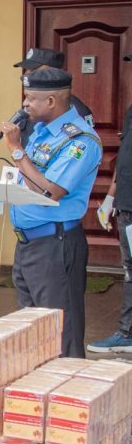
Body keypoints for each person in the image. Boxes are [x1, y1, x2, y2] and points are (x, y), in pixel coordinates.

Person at [0, 68, 102, 358]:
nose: (25, 104)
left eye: (31, 98)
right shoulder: (42, 133)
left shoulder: (80, 141)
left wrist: (16, 150)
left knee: (60, 333)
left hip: (55, 244)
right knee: (32, 331)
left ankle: (67, 385)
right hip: (29, 244)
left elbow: (49, 191)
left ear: (52, 101)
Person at [88, 53, 132, 353]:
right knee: (130, 269)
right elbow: (125, 156)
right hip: (127, 202)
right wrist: (111, 196)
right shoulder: (131, 111)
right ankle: (127, 332)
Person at [14, 47, 94, 148]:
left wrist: (15, 149)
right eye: (26, 69)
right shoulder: (32, 105)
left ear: (53, 71)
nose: (27, 73)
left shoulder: (76, 109)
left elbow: (80, 146)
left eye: (33, 70)